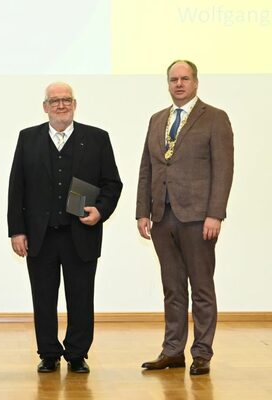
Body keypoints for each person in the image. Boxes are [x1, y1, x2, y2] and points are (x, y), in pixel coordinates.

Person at [7, 82, 122, 373]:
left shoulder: (97, 138)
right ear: (45, 106)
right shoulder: (28, 138)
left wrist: (101, 210)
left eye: (66, 100)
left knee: (81, 297)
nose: (61, 105)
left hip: (81, 233)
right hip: (40, 236)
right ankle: (48, 353)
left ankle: (77, 354)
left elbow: (112, 183)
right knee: (43, 298)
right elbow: (17, 188)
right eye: (55, 100)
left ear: (75, 104)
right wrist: (17, 231)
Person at [137, 60, 234, 375]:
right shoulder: (157, 119)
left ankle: (202, 353)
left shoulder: (215, 118)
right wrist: (142, 211)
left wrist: (215, 214)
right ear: (167, 84)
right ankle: (173, 351)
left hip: (198, 219)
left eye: (184, 78)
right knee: (172, 288)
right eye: (173, 79)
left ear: (195, 82)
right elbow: (147, 168)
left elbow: (223, 170)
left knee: (201, 288)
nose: (178, 84)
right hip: (162, 217)